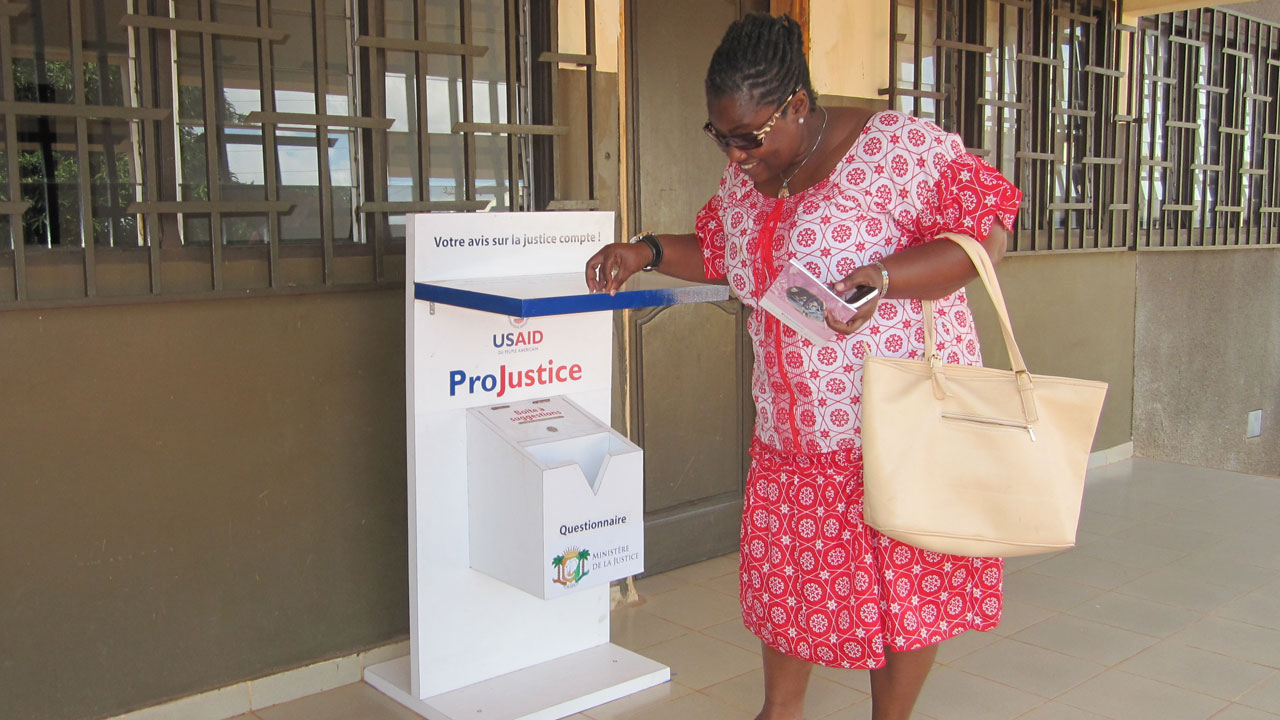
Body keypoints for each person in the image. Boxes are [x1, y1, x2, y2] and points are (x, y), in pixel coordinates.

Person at [586, 13, 1021, 720]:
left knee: (904, 585)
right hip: (795, 436)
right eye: (720, 137)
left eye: (748, 137)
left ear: (795, 105)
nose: (734, 156)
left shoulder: (894, 146)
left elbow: (988, 230)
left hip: (894, 424)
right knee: (791, 587)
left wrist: (882, 278)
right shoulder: (754, 179)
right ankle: (778, 712)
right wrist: (648, 252)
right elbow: (724, 253)